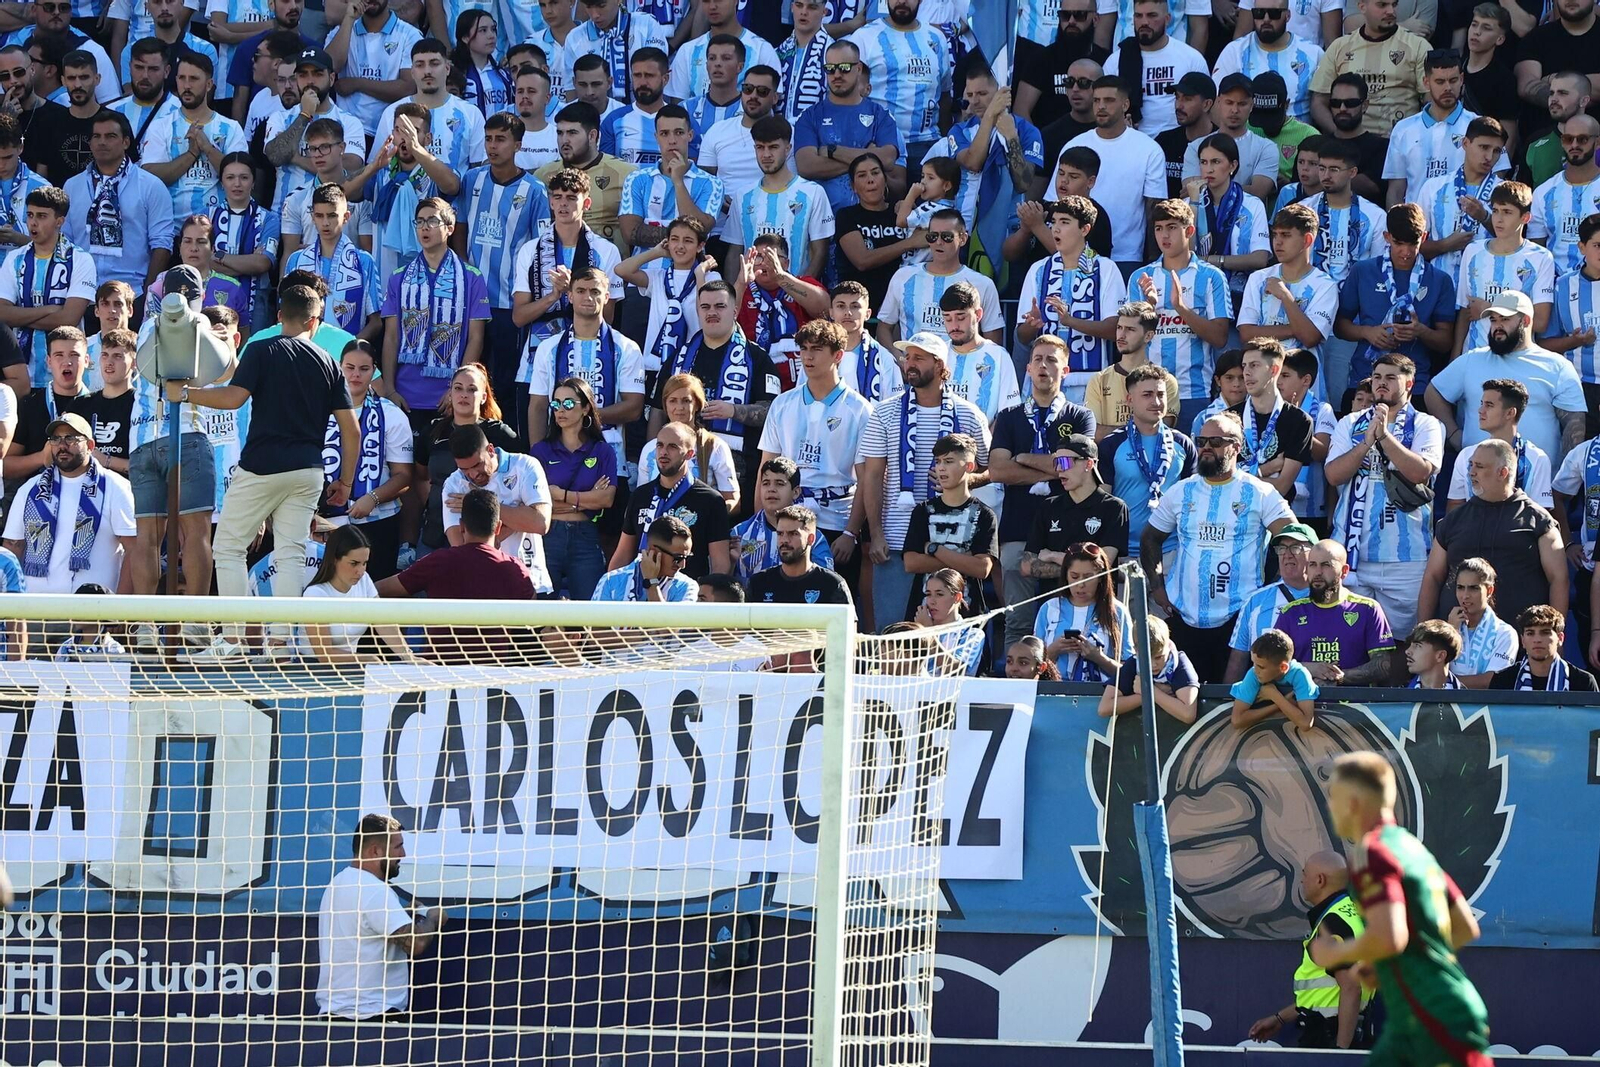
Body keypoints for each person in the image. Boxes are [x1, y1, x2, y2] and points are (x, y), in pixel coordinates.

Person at [180, 283, 358, 657]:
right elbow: (351, 429)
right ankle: (279, 644)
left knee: (228, 547)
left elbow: (233, 398)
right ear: (315, 320)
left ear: (279, 317)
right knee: (290, 554)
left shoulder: (260, 348)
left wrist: (184, 394)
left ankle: (233, 640)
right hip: (308, 471)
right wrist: (345, 481)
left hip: (261, 467)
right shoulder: (329, 361)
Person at [1310, 753, 1492, 1066]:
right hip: (1416, 1022)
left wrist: (1335, 953)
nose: (1330, 807)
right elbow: (1464, 928)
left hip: (1433, 1019)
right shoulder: (1412, 848)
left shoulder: (1371, 851)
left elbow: (1390, 937)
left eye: (1334, 797)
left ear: (1353, 802)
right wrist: (1379, 964)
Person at [1142, 411, 1296, 680]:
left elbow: (1293, 537)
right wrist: (1157, 587)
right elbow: (1150, 538)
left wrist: (1269, 591)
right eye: (1201, 441)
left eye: (1215, 442)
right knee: (1185, 694)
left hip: (1238, 617)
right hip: (1183, 615)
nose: (1206, 448)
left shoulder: (1259, 492)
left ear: (1236, 447)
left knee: (1229, 697)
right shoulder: (1181, 491)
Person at [857, 331, 990, 632]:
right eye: (907, 357)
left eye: (919, 358)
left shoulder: (968, 414)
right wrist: (875, 533)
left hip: (952, 543)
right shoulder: (884, 412)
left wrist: (966, 478)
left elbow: (990, 467)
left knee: (949, 635)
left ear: (940, 365)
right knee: (893, 635)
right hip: (896, 539)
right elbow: (873, 476)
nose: (910, 364)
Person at [1325, 352, 1443, 641]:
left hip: (1406, 559)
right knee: (1349, 641)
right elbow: (1334, 475)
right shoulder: (1350, 422)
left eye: (1391, 378)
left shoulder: (1426, 424)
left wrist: (1385, 438)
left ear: (1409, 383)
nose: (1381, 383)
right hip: (1352, 556)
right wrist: (1366, 442)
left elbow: (1421, 472)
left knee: (1407, 641)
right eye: (1377, 377)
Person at [989, 334, 1098, 645]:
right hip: (1017, 527)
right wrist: (1052, 465)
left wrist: (1023, 458)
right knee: (1017, 621)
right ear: (1028, 368)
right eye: (1037, 359)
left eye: (1052, 360)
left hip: (1067, 529)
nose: (1043, 365)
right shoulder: (1009, 417)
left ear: (1065, 370)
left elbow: (1078, 467)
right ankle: (1016, 675)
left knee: (1067, 618)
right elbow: (997, 471)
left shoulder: (1081, 416)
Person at [757, 317, 874, 593]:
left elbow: (866, 479)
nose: (808, 357)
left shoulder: (860, 410)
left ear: (838, 356)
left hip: (836, 521)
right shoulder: (782, 404)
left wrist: (850, 532)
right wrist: (761, 526)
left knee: (834, 600)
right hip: (787, 519)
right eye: (804, 349)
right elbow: (766, 470)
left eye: (817, 349)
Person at [1419, 438, 1568, 628]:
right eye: (1471, 465)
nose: (1471, 472)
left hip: (1521, 640)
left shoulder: (1539, 521)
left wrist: (1556, 635)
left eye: (1479, 466)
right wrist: (1423, 631)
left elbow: (1559, 579)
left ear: (1503, 472)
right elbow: (1432, 577)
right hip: (1457, 639)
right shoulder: (1453, 520)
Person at [1428, 290, 1586, 465]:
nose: (1497, 327)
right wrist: (1453, 434)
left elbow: (1574, 424)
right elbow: (1433, 392)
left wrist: (1566, 476)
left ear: (1526, 321)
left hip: (1537, 478)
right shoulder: (1472, 359)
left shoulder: (1557, 366)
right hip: (1475, 475)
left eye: (1505, 319)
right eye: (1493, 320)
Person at [315, 813, 446, 1021]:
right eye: (397, 847)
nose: (403, 854)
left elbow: (365, 929)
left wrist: (403, 915)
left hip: (335, 1019)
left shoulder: (337, 884)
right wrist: (433, 918)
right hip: (372, 1017)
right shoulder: (374, 890)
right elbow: (416, 943)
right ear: (375, 851)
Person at [380, 197, 491, 433]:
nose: (424, 227)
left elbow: (476, 338)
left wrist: (456, 389)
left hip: (449, 398)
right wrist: (389, 389)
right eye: (419, 221)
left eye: (432, 221)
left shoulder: (471, 277)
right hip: (405, 396)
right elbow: (390, 337)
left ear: (450, 228)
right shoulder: (399, 277)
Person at [522, 265, 644, 478]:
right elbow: (538, 406)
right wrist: (538, 458)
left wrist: (581, 415)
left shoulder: (627, 347)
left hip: (610, 458)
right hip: (557, 456)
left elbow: (634, 408)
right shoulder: (548, 347)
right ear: (569, 296)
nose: (588, 297)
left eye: (595, 291)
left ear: (607, 297)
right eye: (580, 291)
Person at [1246, 851, 1373, 1050]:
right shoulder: (1351, 914)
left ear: (1320, 880)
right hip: (1343, 1035)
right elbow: (1325, 995)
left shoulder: (1332, 923)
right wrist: (1280, 1018)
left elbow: (1351, 988)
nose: (1302, 881)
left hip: (1328, 1040)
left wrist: (1340, 1053)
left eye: (1304, 874)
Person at [1334, 202, 1456, 405]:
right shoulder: (1362, 271)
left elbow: (1445, 342)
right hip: (1365, 382)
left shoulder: (1440, 280)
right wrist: (1367, 332)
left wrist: (1421, 331)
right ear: (1387, 237)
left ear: (1424, 237)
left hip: (1413, 386)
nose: (1406, 252)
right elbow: (1339, 326)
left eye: (1413, 243)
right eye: (1399, 243)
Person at [2, 408, 135, 594]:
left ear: (90, 445)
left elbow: (133, 549)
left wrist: (120, 606)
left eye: (70, 438)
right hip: (33, 606)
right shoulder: (31, 489)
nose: (62, 446)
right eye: (55, 439)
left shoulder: (115, 487)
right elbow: (12, 547)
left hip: (94, 607)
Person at [1013, 197, 1125, 403]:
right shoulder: (1038, 270)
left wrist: (1070, 321)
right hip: (1043, 383)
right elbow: (1022, 336)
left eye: (1064, 222)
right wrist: (1031, 325)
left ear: (1085, 229)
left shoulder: (1106, 269)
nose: (1056, 229)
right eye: (1053, 222)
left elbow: (1115, 329)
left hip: (1090, 384)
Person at [1130, 197, 1230, 422]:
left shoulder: (1211, 276)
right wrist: (1149, 308)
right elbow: (1128, 340)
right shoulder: (1140, 277)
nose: (1164, 235)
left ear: (1190, 230)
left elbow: (1220, 337)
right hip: (1148, 391)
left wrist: (1181, 308)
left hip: (1194, 392)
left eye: (1172, 227)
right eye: (1158, 228)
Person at [320, 340, 411, 579]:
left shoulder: (392, 414)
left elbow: (404, 475)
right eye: (349, 368)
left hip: (378, 520)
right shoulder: (317, 409)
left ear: (374, 371)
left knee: (375, 589)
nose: (355, 375)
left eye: (364, 369)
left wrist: (373, 498)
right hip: (325, 521)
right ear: (339, 368)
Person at [1061, 76, 1166, 273]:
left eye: (1109, 100)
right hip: (1075, 255)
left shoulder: (1149, 149)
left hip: (1127, 257)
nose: (1101, 106)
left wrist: (1154, 263)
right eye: (1096, 100)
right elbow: (1058, 200)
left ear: (1125, 105)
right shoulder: (1074, 144)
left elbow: (1155, 210)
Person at [62, 111, 175, 293]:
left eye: (110, 136)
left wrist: (148, 294)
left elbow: (162, 244)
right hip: (80, 290)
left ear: (126, 142)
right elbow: (64, 240)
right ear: (90, 143)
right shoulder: (72, 186)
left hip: (132, 291)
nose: (102, 142)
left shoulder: (151, 186)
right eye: (96, 136)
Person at [1236, 205, 1339, 403]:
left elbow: (1310, 337)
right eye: (1275, 235)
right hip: (1263, 384)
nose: (1277, 242)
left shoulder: (1325, 285)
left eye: (1286, 235)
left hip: (1304, 391)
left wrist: (1285, 296)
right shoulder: (1259, 278)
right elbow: (1246, 334)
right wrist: (1296, 329)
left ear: (1307, 240)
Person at [791, 39, 907, 213]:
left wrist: (833, 152)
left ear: (858, 69)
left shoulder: (881, 115)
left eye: (844, 68)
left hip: (872, 219)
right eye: (830, 69)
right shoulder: (809, 116)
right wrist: (869, 159)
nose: (837, 74)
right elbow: (807, 166)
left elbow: (887, 160)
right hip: (824, 219)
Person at [1099, 357, 1195, 564]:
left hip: (1171, 549)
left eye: (1160, 394)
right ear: (1129, 399)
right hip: (1125, 552)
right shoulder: (1111, 445)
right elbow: (1103, 503)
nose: (1156, 402)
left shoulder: (1183, 444)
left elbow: (1192, 499)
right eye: (1147, 395)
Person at [0, 185, 94, 389]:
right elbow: (2, 314)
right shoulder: (14, 258)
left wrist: (20, 316)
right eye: (30, 215)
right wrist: (49, 310)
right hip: (23, 372)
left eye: (42, 216)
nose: (33, 223)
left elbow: (68, 319)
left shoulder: (81, 260)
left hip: (65, 376)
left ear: (59, 221)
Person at [530, 376, 615, 601]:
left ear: (586, 408)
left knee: (590, 609)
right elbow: (536, 502)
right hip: (549, 535)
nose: (560, 410)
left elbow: (606, 499)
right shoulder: (540, 451)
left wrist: (561, 495)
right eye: (555, 403)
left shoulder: (602, 451)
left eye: (568, 403)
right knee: (542, 608)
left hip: (586, 537)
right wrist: (585, 500)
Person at [613, 421, 733, 579]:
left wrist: (705, 593)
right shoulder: (640, 495)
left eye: (672, 447)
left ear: (690, 454)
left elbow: (720, 564)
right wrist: (608, 586)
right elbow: (622, 555)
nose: (663, 452)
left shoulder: (710, 500)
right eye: (660, 445)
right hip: (639, 588)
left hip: (687, 591)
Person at [440, 421, 552, 591]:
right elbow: (463, 548)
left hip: (531, 582)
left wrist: (481, 505)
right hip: (482, 587)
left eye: (477, 465)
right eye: (464, 469)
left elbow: (540, 523)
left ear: (490, 450)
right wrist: (517, 514)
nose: (473, 474)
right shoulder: (453, 485)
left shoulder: (525, 465)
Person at [1448, 181, 1554, 357]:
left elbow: (1541, 322)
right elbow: (1466, 311)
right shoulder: (1473, 251)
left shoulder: (1541, 257)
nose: (1498, 219)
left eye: (1507, 212)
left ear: (1525, 218)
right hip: (1475, 357)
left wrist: (1489, 308)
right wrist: (1455, 357)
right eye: (1495, 210)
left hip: (1518, 360)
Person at [378, 485, 537, 601]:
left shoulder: (437, 562)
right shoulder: (515, 569)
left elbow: (377, 590)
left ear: (461, 526)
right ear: (498, 527)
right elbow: (532, 613)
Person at [1274, 538, 1397, 685]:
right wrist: (1307, 669)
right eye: (1312, 565)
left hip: (1353, 699)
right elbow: (1270, 666)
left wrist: (1340, 677)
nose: (1318, 572)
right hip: (1301, 699)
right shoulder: (1290, 613)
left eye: (1326, 565)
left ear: (1344, 571)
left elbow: (1383, 666)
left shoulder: (1368, 609)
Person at [877, 208, 1004, 348]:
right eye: (932, 236)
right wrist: (898, 357)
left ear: (963, 239)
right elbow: (884, 327)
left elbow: (993, 340)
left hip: (960, 361)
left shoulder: (982, 284)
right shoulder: (903, 276)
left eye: (946, 237)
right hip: (912, 361)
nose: (938, 242)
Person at [261, 46, 365, 216]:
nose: (310, 81)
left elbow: (351, 167)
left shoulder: (350, 122)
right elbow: (275, 156)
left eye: (317, 74)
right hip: (283, 215)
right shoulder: (279, 118)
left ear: (331, 78)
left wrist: (294, 156)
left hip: (330, 218)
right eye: (303, 75)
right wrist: (305, 115)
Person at [902, 432, 997, 616]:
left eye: (949, 461)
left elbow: (982, 568)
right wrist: (963, 559)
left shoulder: (985, 515)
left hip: (968, 615)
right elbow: (911, 563)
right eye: (938, 462)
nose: (941, 468)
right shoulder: (922, 511)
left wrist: (934, 549)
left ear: (969, 466)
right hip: (924, 615)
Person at [847, 0, 951, 167]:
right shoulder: (863, 37)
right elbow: (849, 97)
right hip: (880, 145)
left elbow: (945, 96)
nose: (902, 1)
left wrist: (944, 143)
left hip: (929, 145)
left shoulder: (936, 38)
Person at [1184, 131, 1273, 321]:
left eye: (1216, 162)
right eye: (1204, 162)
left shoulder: (1252, 204)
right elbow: (1186, 254)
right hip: (1195, 296)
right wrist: (1194, 203)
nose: (1208, 169)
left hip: (1240, 298)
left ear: (1233, 165)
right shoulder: (1188, 204)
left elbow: (1260, 258)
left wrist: (1212, 260)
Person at [1381, 50, 1489, 207]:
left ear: (1461, 79)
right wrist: (1396, 222)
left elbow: (1496, 180)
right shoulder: (1403, 129)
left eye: (1453, 80)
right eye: (1440, 82)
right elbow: (1396, 191)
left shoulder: (1479, 126)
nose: (1448, 88)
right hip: (1416, 220)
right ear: (1426, 82)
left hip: (1464, 220)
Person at [295, 524, 414, 663]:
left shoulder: (364, 579)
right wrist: (366, 659)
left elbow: (382, 621)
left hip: (352, 667)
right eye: (354, 563)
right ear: (334, 559)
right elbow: (324, 655)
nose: (361, 571)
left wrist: (409, 656)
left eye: (364, 563)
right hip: (313, 668)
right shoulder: (315, 594)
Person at [1307, 0, 1428, 136]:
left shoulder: (1418, 46)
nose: (1391, 11)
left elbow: (1431, 100)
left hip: (1400, 141)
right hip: (1349, 143)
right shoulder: (1339, 47)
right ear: (1362, 7)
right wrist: (1340, 134)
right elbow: (1318, 102)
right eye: (1382, 5)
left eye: (1394, 4)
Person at [1022, 432, 1129, 577]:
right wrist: (1081, 569)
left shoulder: (1114, 508)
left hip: (1096, 593)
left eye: (1065, 462)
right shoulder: (1048, 507)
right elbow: (1027, 566)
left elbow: (1102, 565)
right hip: (1054, 593)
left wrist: (1054, 556)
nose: (1059, 469)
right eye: (1057, 462)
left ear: (1089, 464)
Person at [1414, 116, 1504, 285]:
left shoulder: (1504, 192)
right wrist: (1445, 245)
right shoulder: (1433, 188)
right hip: (1439, 288)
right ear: (1465, 143)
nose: (1489, 156)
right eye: (1484, 147)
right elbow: (1413, 246)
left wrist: (1485, 217)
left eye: (1497, 151)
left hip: (1484, 288)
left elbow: (1515, 243)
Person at [1224, 520, 1317, 681]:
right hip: (1265, 692)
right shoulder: (1255, 601)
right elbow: (1237, 661)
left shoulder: (1329, 597)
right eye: (1282, 548)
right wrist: (1228, 695)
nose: (1287, 554)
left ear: (1315, 554)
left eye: (1296, 547)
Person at [1229, 338, 1315, 501]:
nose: (1246, 372)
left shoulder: (1299, 421)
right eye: (1244, 366)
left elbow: (1281, 487)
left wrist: (1238, 477)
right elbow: (1220, 481)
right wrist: (1266, 469)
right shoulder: (1228, 418)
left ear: (1274, 370)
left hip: (1273, 513)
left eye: (1254, 365)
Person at [1446, 378, 1552, 509]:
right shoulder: (1466, 455)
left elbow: (1541, 513)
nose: (1480, 410)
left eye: (1489, 405)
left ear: (1510, 413)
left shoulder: (1537, 458)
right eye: (1482, 404)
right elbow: (1455, 506)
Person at [1033, 540, 1131, 681]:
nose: (1081, 584)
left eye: (1088, 577)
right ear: (1066, 576)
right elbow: (1031, 666)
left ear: (1100, 577)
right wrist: (1053, 650)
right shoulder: (1049, 608)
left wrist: (1099, 658)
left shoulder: (1118, 611)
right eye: (1074, 576)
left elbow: (1130, 672)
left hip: (1102, 691)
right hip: (1054, 690)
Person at [641, 373, 741, 510]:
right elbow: (641, 501)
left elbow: (733, 501)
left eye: (686, 401)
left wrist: (705, 515)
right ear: (665, 405)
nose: (679, 407)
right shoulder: (649, 449)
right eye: (673, 400)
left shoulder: (715, 447)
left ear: (697, 405)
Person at [732, 455, 837, 582]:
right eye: (766, 483)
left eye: (779, 484)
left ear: (796, 492)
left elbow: (826, 583)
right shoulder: (738, 534)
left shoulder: (812, 537)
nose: (771, 489)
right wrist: (730, 563)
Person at [1214, 5, 1326, 121]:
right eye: (1259, 13)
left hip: (1300, 131)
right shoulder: (1234, 51)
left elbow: (1324, 104)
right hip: (1246, 130)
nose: (1266, 19)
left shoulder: (1314, 54)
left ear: (1288, 15)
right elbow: (1215, 103)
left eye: (1274, 13)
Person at [1544, 213, 1600, 425]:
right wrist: (1574, 341)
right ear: (1582, 247)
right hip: (1577, 387)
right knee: (1579, 444)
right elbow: (1544, 344)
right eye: (1597, 245)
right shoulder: (1563, 286)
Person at [1530, 115, 1600, 276]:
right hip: (1555, 283)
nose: (1574, 145)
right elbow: (1536, 250)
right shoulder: (1543, 192)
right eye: (1568, 139)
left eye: (1582, 139)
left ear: (1597, 142)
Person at [1098, 614, 1199, 723]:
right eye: (1146, 658)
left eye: (1159, 657)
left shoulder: (1179, 663)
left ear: (1168, 646)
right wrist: (1148, 694)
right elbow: (1104, 708)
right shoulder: (1133, 663)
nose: (1153, 664)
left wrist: (1151, 691)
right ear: (1135, 650)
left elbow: (1188, 714)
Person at [747, 503, 852, 605]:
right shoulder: (758, 584)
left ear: (811, 539)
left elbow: (847, 617)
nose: (784, 540)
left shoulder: (831, 584)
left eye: (793, 534)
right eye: (780, 534)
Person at [1443, 556, 1516, 686]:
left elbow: (1491, 682)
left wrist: (1445, 681)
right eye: (1460, 587)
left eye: (1473, 588)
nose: (1465, 595)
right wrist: (1449, 633)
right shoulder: (1447, 627)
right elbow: (1431, 669)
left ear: (1489, 590)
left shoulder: (1505, 633)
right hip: (1445, 699)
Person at [592, 513, 698, 602]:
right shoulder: (610, 581)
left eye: (687, 557)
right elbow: (597, 621)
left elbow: (666, 622)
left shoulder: (687, 586)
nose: (682, 565)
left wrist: (652, 583)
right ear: (653, 551)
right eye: (678, 558)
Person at [1229, 627, 1318, 729]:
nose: (1255, 669)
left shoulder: (1300, 674)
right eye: (1253, 663)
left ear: (1283, 667)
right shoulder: (1253, 673)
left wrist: (1275, 696)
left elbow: (1305, 723)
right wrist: (1279, 703)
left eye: (1261, 667)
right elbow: (1237, 721)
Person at [1519, 71, 1589, 191]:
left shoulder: (1596, 142)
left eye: (1563, 93)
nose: (1554, 99)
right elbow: (1521, 195)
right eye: (1551, 93)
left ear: (1583, 101)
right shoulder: (1534, 142)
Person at [916, 567, 986, 674]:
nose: (931, 601)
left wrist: (929, 634)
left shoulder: (972, 635)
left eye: (939, 594)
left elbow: (956, 671)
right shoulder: (919, 629)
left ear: (957, 597)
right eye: (928, 594)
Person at [1405, 619, 1465, 689]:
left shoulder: (1464, 695)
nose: (1407, 651)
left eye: (1417, 646)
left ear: (1440, 656)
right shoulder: (1401, 693)